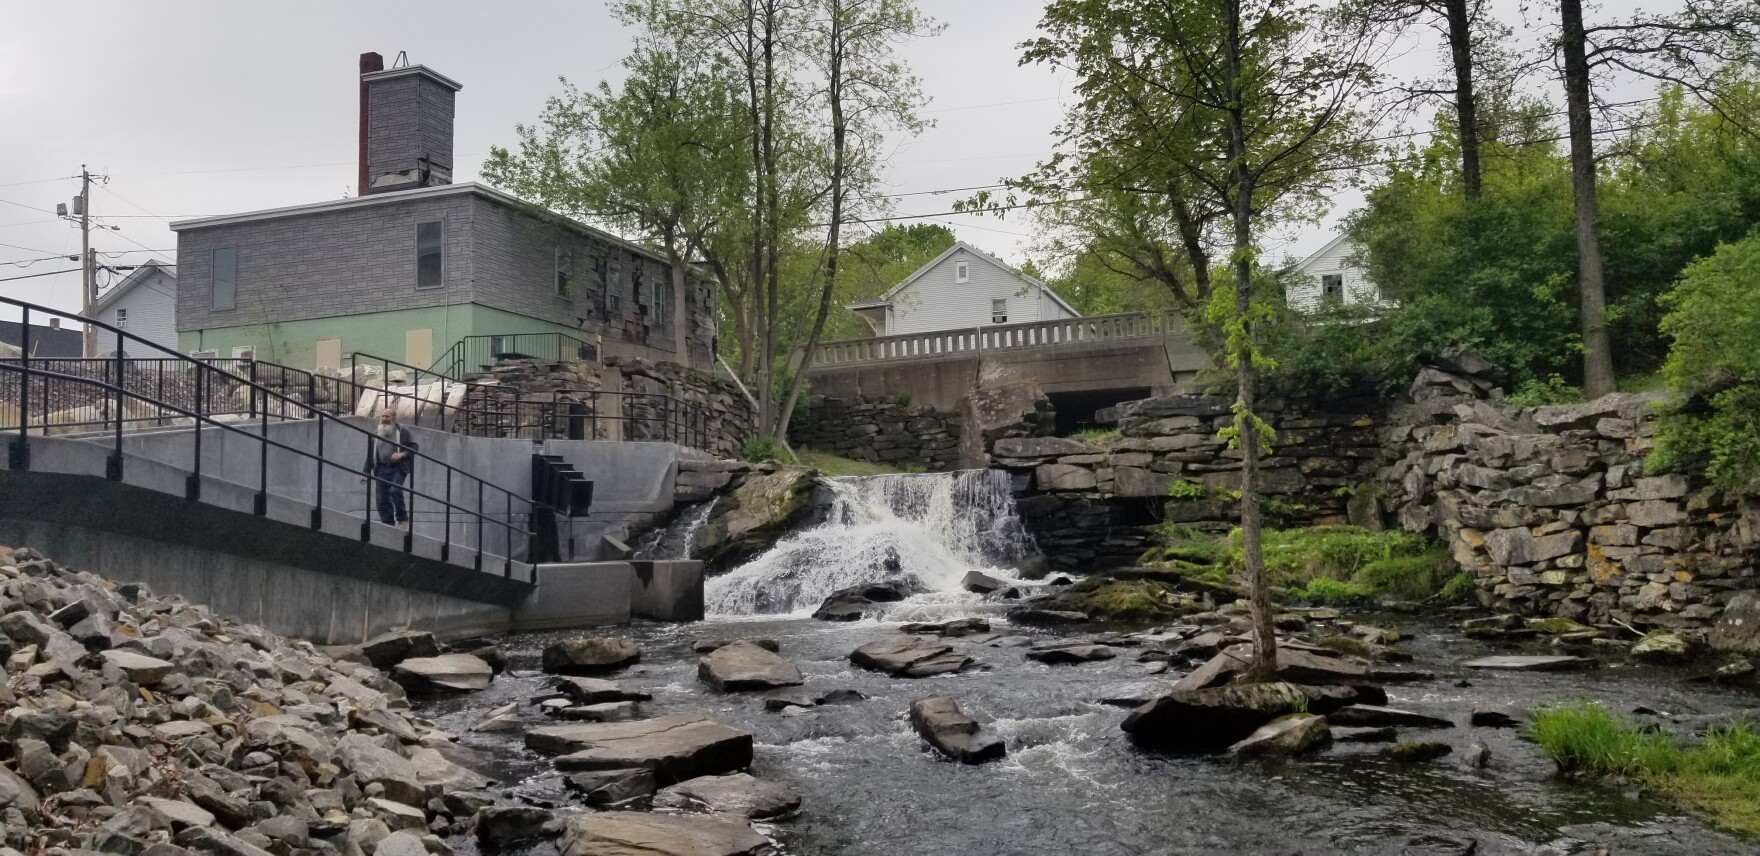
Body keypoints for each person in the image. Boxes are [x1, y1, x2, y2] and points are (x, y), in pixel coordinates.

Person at [363, 408, 418, 528]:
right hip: (381, 468)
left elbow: (414, 447)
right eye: (382, 416)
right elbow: (371, 455)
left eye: (387, 417)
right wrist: (366, 472)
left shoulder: (402, 431)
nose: (384, 419)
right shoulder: (376, 433)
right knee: (381, 498)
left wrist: (401, 454)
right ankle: (387, 523)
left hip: (398, 467)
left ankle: (402, 519)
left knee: (395, 490)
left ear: (393, 418)